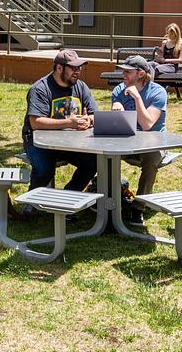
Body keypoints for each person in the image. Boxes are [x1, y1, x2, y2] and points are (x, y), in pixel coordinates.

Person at [22, 49, 98, 201]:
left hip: (70, 143)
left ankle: (68, 196)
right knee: (44, 169)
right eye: (73, 68)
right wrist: (69, 122)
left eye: (79, 68)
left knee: (93, 162)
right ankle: (31, 202)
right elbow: (35, 122)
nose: (78, 72)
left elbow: (95, 114)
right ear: (58, 68)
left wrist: (89, 120)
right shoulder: (40, 89)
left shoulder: (81, 87)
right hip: (39, 142)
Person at [111, 54, 169, 225]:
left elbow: (147, 125)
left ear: (141, 74)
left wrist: (136, 98)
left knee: (151, 158)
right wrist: (117, 110)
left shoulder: (158, 92)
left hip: (154, 142)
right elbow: (115, 124)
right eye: (123, 71)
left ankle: (138, 207)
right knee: (104, 155)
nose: (124, 75)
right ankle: (109, 198)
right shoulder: (119, 90)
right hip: (127, 141)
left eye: (128, 72)